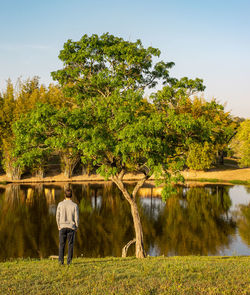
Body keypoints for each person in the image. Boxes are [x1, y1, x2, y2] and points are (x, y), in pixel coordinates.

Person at [56, 188, 79, 265]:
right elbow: (76, 217)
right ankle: (69, 262)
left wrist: (58, 225)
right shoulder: (75, 205)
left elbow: (57, 216)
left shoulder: (60, 204)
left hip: (62, 227)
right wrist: (76, 226)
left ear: (64, 195)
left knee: (61, 244)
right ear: (71, 195)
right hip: (71, 227)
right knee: (70, 245)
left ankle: (60, 261)